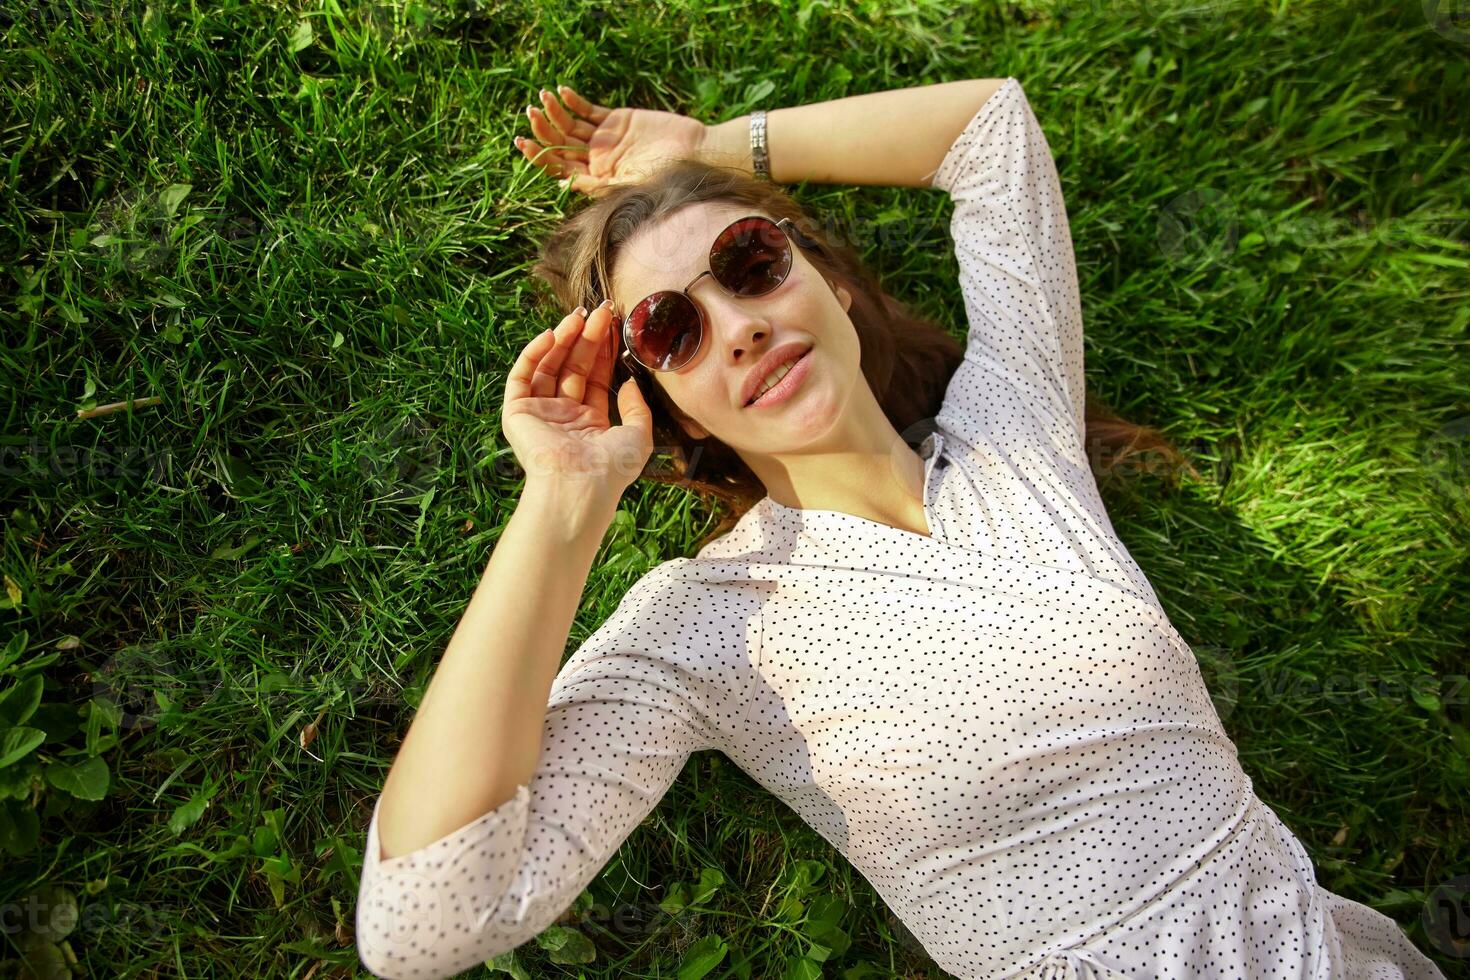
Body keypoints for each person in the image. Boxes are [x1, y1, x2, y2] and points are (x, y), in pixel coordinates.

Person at [353, 78, 1448, 979]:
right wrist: (564, 500)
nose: (737, 327)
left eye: (748, 265)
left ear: (821, 276)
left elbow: (990, 131)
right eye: (674, 327)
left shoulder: (1012, 427)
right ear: (668, 404)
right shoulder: (704, 626)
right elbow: (420, 923)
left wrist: (712, 145)